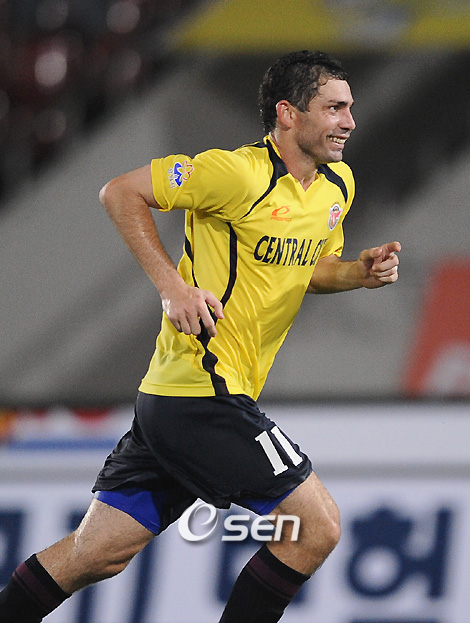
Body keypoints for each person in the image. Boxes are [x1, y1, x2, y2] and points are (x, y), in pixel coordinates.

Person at [0, 50, 400, 623]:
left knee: (96, 554)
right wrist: (173, 287)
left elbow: (309, 267)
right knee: (317, 527)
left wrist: (357, 272)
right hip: (202, 394)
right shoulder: (235, 173)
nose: (349, 122)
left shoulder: (337, 185)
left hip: (178, 398)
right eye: (334, 108)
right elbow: (120, 192)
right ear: (288, 113)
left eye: (350, 108)